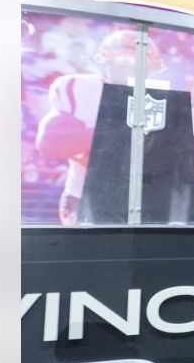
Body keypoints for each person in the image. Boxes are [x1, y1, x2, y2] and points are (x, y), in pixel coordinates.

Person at [35, 29, 163, 224]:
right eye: (123, 63)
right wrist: (118, 138)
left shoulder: (158, 101)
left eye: (138, 66)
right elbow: (49, 142)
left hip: (137, 201)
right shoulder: (81, 89)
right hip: (84, 197)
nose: (131, 71)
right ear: (106, 62)